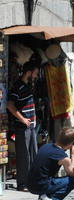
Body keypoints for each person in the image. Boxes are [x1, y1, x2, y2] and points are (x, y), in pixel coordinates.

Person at [27, 128, 74, 200]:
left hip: (29, 184)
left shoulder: (45, 146)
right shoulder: (63, 156)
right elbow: (71, 173)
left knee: (48, 175)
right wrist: (73, 155)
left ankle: (43, 197)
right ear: (70, 144)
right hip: (40, 186)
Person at [7, 61, 39, 191]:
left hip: (31, 126)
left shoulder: (28, 86)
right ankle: (22, 184)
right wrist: (23, 119)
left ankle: (30, 182)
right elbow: (10, 105)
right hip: (22, 127)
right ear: (29, 73)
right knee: (23, 156)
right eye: (35, 73)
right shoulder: (18, 86)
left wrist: (33, 119)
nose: (36, 76)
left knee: (32, 154)